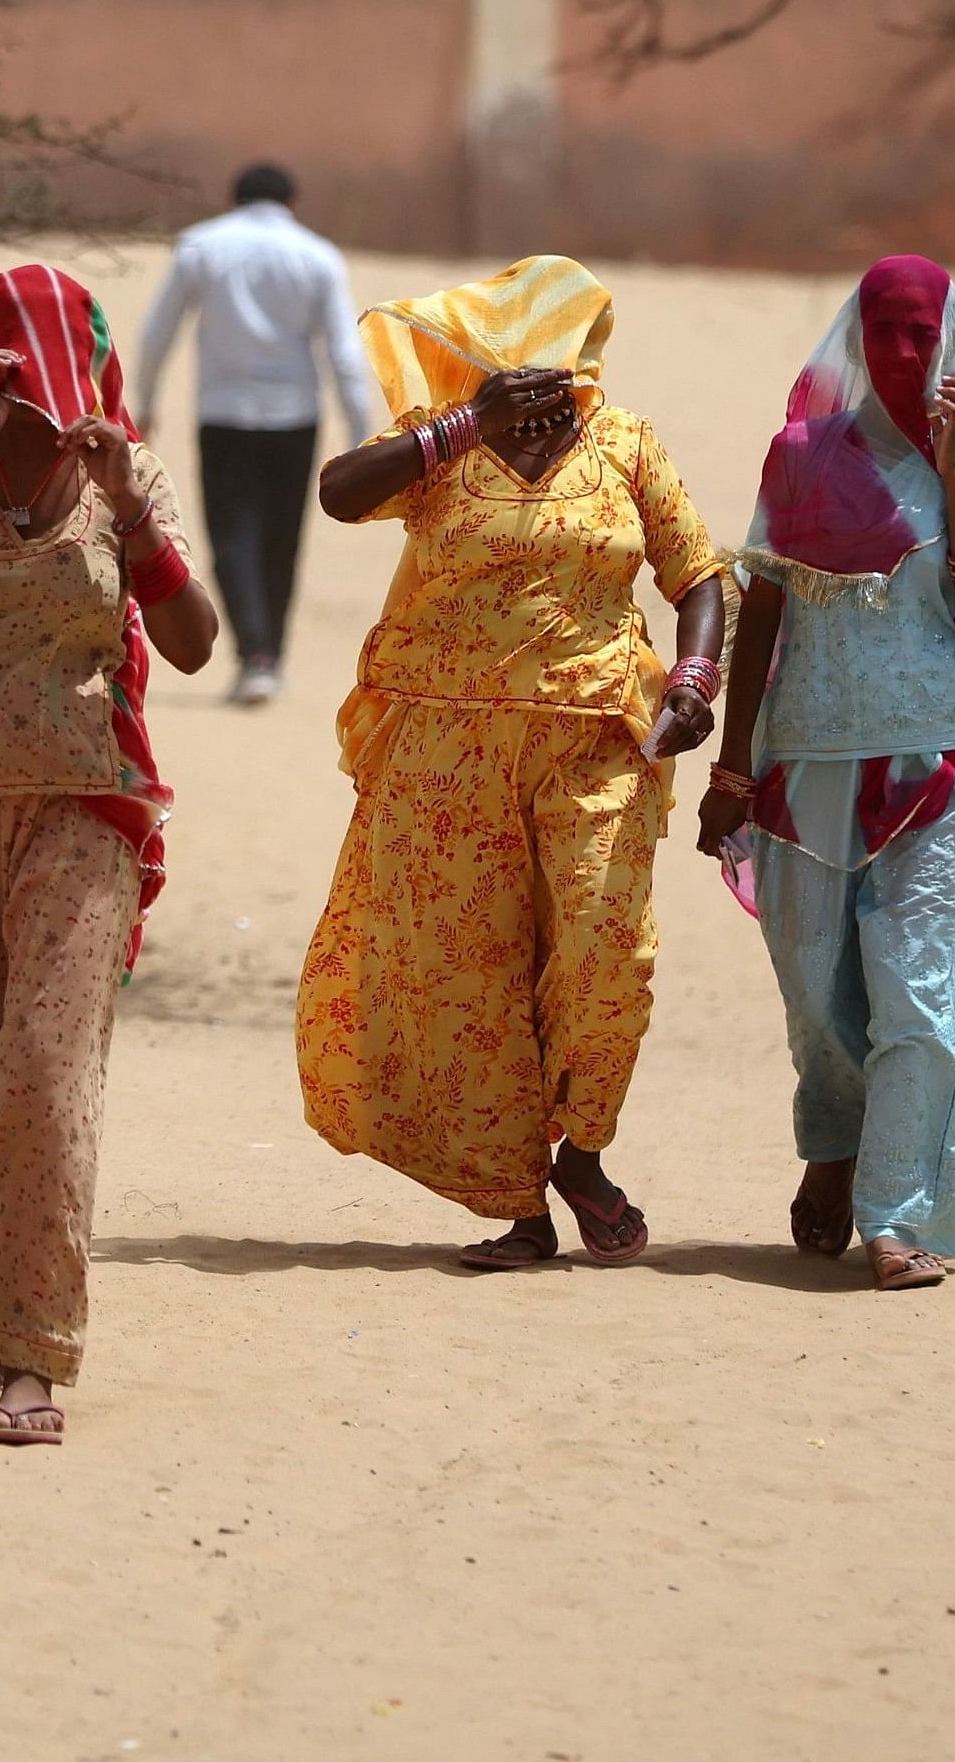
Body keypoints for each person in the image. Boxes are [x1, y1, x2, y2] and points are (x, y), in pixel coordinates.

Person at [294, 257, 731, 1270]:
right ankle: (518, 1205)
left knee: (604, 950)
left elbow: (696, 573)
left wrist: (695, 679)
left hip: (595, 739)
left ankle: (580, 1151)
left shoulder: (624, 444)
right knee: (470, 977)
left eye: (558, 356)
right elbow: (336, 493)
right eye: (517, 361)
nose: (544, 377)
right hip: (447, 755)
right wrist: (461, 425)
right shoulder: (441, 444)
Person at [0, 264, 219, 1445]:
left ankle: (28, 1352)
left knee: (44, 1076)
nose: (36, 403)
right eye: (10, 372)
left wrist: (132, 511)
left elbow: (194, 641)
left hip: (82, 802)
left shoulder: (124, 476)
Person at [693, 254, 955, 1293]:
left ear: (947, 351)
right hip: (801, 766)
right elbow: (760, 610)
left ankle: (892, 1214)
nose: (902, 355)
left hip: (924, 768)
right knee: (817, 991)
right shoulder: (798, 461)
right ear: (853, 340)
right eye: (884, 333)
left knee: (918, 995)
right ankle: (832, 1140)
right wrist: (727, 765)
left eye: (921, 336)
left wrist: (948, 477)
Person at [130, 163, 375, 707]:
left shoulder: (202, 246)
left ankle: (253, 657)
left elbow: (157, 331)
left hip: (223, 412)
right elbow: (344, 350)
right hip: (296, 415)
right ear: (291, 200)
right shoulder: (317, 255)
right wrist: (360, 432)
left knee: (230, 534)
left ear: (235, 198)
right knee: (282, 538)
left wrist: (145, 402)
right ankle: (272, 657)